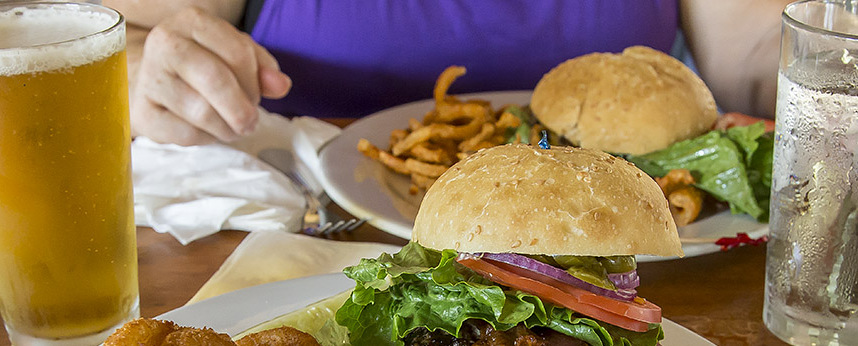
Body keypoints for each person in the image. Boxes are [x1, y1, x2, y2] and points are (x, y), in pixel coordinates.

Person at [105, 0, 789, 146]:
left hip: (623, 260)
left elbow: (763, 63)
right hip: (298, 252)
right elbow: (109, 41)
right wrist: (144, 75)